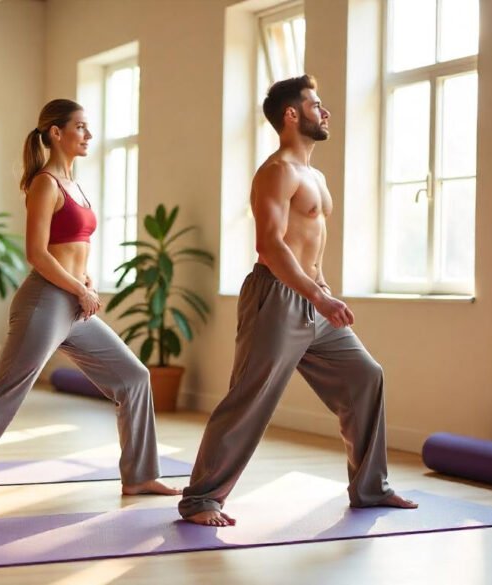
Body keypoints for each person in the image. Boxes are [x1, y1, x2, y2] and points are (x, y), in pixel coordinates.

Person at [178, 75, 418, 527]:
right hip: (276, 296)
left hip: (313, 297)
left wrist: (322, 289)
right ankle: (201, 499)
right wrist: (315, 295)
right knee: (250, 397)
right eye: (316, 104)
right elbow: (271, 245)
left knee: (365, 376)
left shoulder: (316, 176)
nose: (324, 112)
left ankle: (370, 488)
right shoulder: (276, 172)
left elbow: (311, 243)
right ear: (292, 115)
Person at [0, 99, 180, 515]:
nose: (88, 135)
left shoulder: (76, 184)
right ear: (55, 133)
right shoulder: (45, 183)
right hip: (45, 302)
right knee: (5, 393)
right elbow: (37, 253)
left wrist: (87, 282)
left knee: (133, 377)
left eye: (88, 128)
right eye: (79, 127)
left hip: (74, 302)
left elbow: (75, 248)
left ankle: (139, 474)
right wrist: (78, 290)